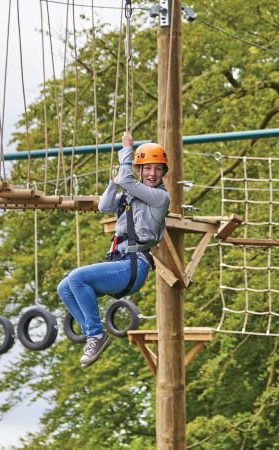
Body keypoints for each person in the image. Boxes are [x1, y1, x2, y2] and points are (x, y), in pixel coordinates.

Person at [57, 131, 170, 368]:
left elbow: (129, 181)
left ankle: (96, 335)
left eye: (157, 169)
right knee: (65, 287)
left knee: (77, 278)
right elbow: (105, 206)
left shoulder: (160, 198)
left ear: (163, 173)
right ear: (140, 170)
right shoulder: (131, 193)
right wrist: (113, 181)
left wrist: (126, 151)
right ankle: (93, 334)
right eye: (147, 168)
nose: (152, 174)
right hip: (119, 261)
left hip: (134, 265)